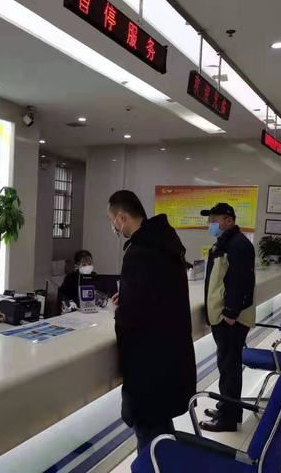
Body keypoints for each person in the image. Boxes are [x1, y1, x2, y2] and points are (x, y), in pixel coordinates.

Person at [107, 190, 196, 453]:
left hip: (148, 367)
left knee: (149, 437)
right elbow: (156, 296)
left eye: (112, 220)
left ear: (122, 217)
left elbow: (133, 317)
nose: (114, 226)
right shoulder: (166, 242)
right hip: (170, 358)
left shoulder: (138, 252)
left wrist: (120, 310)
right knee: (161, 431)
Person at [199, 203, 255, 432]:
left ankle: (228, 419)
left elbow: (241, 282)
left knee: (229, 368)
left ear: (229, 220)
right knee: (226, 366)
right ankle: (227, 408)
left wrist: (230, 313)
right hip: (224, 317)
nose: (211, 224)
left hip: (231, 319)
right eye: (210, 220)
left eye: (215, 220)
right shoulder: (226, 243)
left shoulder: (238, 244)